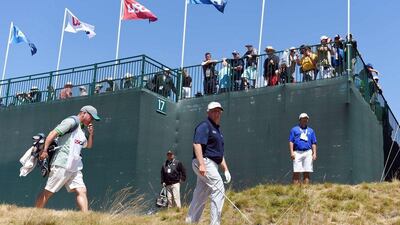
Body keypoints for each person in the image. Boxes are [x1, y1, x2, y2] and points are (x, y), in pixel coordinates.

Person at [35, 105, 100, 212]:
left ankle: (87, 219)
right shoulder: (71, 121)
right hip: (62, 164)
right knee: (48, 192)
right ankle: (34, 215)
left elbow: (88, 146)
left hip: (75, 167)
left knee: (82, 191)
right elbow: (53, 133)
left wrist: (91, 134)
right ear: (84, 113)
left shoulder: (83, 130)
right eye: (91, 117)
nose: (92, 120)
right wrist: (45, 150)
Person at [186, 102, 231, 225]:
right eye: (213, 111)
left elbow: (219, 154)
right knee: (218, 187)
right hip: (204, 161)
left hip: (212, 164)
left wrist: (225, 169)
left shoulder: (218, 131)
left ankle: (191, 221)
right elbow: (197, 144)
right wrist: (201, 164)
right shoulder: (205, 125)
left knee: (201, 194)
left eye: (218, 111)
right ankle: (215, 223)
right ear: (208, 112)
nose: (216, 113)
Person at [289, 113, 317, 184]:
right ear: (300, 120)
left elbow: (313, 142)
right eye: (303, 119)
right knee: (296, 172)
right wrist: (292, 152)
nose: (305, 120)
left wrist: (314, 153)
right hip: (297, 152)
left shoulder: (311, 130)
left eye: (306, 119)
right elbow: (291, 141)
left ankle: (305, 190)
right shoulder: (294, 129)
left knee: (307, 172)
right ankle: (295, 191)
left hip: (308, 152)